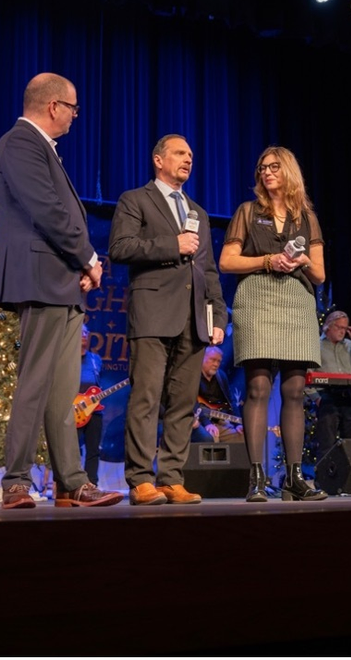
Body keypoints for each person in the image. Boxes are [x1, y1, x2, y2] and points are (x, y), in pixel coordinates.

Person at [0, 72, 123, 509]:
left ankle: (72, 480)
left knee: (62, 389)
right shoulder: (22, 142)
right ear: (53, 107)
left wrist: (79, 267)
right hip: (41, 277)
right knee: (35, 381)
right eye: (73, 108)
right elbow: (46, 209)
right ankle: (16, 481)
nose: (75, 116)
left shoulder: (42, 148)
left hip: (62, 281)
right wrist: (87, 257)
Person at [108, 133, 228, 506]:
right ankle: (141, 479)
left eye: (190, 155)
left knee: (182, 404)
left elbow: (208, 269)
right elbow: (120, 247)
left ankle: (171, 478)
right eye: (179, 153)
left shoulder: (198, 213)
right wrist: (171, 245)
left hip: (194, 320)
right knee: (146, 399)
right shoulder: (135, 200)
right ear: (159, 160)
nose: (187, 159)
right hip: (153, 315)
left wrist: (218, 315)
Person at [219, 145, 328, 502]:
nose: (266, 173)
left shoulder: (307, 219)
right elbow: (228, 261)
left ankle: (294, 479)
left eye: (274, 167)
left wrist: (297, 262)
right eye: (262, 168)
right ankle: (256, 479)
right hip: (258, 299)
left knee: (295, 391)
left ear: (289, 173)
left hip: (296, 302)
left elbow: (320, 275)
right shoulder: (248, 212)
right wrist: (267, 260)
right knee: (258, 388)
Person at [308, 310, 351, 462]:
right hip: (327, 396)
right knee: (327, 442)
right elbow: (307, 374)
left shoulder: (349, 345)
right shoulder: (316, 346)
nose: (342, 331)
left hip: (349, 395)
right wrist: (316, 398)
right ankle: (324, 480)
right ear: (328, 327)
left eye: (345, 328)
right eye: (339, 327)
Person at [192, 346, 244, 444]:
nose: (216, 364)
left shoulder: (221, 376)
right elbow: (192, 402)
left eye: (218, 361)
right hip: (201, 421)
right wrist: (207, 423)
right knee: (212, 439)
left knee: (242, 437)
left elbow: (230, 401)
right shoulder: (194, 376)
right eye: (212, 360)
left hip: (220, 420)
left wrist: (237, 424)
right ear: (203, 358)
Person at [77, 324, 105, 486]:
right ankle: (73, 483)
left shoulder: (95, 360)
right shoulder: (67, 357)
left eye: (86, 332)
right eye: (80, 332)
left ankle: (91, 483)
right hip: (74, 411)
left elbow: (97, 383)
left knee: (93, 450)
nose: (84, 335)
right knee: (73, 449)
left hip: (94, 411)